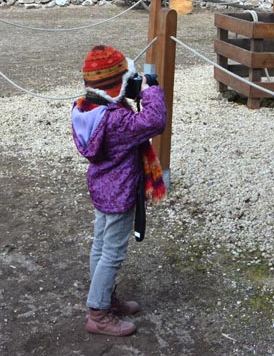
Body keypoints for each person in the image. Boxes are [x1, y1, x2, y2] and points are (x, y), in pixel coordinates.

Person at [71, 45, 167, 337]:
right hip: (120, 191)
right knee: (112, 252)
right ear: (118, 86)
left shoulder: (85, 109)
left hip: (102, 187)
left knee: (100, 245)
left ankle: (105, 297)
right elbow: (154, 121)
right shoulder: (116, 121)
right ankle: (98, 314)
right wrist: (150, 91)